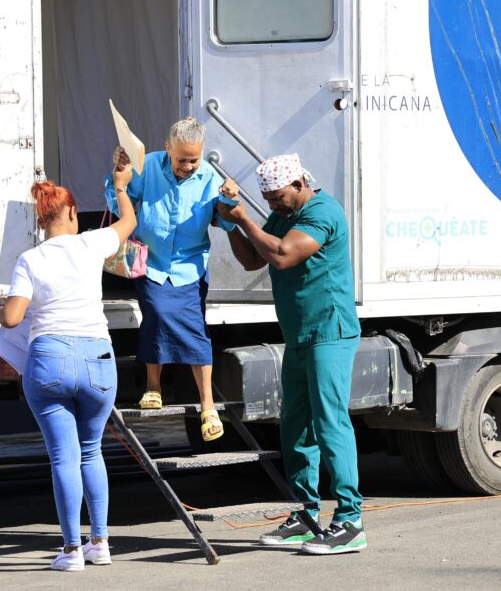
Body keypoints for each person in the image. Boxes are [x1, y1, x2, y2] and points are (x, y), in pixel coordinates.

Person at [217, 153, 366, 555]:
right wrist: (231, 223)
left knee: (330, 423)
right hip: (300, 335)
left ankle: (350, 520)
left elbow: (282, 254)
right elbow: (253, 259)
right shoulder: (284, 215)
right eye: (267, 200)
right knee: (296, 427)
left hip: (329, 332)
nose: (272, 206)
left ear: (300, 183)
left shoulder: (322, 212)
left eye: (277, 197)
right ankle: (305, 514)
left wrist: (245, 218)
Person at [0, 168, 136, 572]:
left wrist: (1, 305)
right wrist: (121, 187)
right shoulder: (92, 243)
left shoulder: (30, 259)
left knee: (63, 458)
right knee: (92, 452)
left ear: (41, 221)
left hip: (49, 359)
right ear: (73, 214)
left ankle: (71, 551)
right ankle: (101, 542)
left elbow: (12, 318)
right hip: (98, 359)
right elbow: (129, 223)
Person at [106, 117, 239, 442]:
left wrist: (229, 201)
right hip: (152, 262)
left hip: (191, 265)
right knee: (156, 316)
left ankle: (208, 404)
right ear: (168, 149)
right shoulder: (148, 166)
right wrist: (118, 179)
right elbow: (116, 202)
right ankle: (153, 386)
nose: (188, 166)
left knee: (195, 329)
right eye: (182, 159)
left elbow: (223, 223)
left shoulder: (209, 176)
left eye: (194, 159)